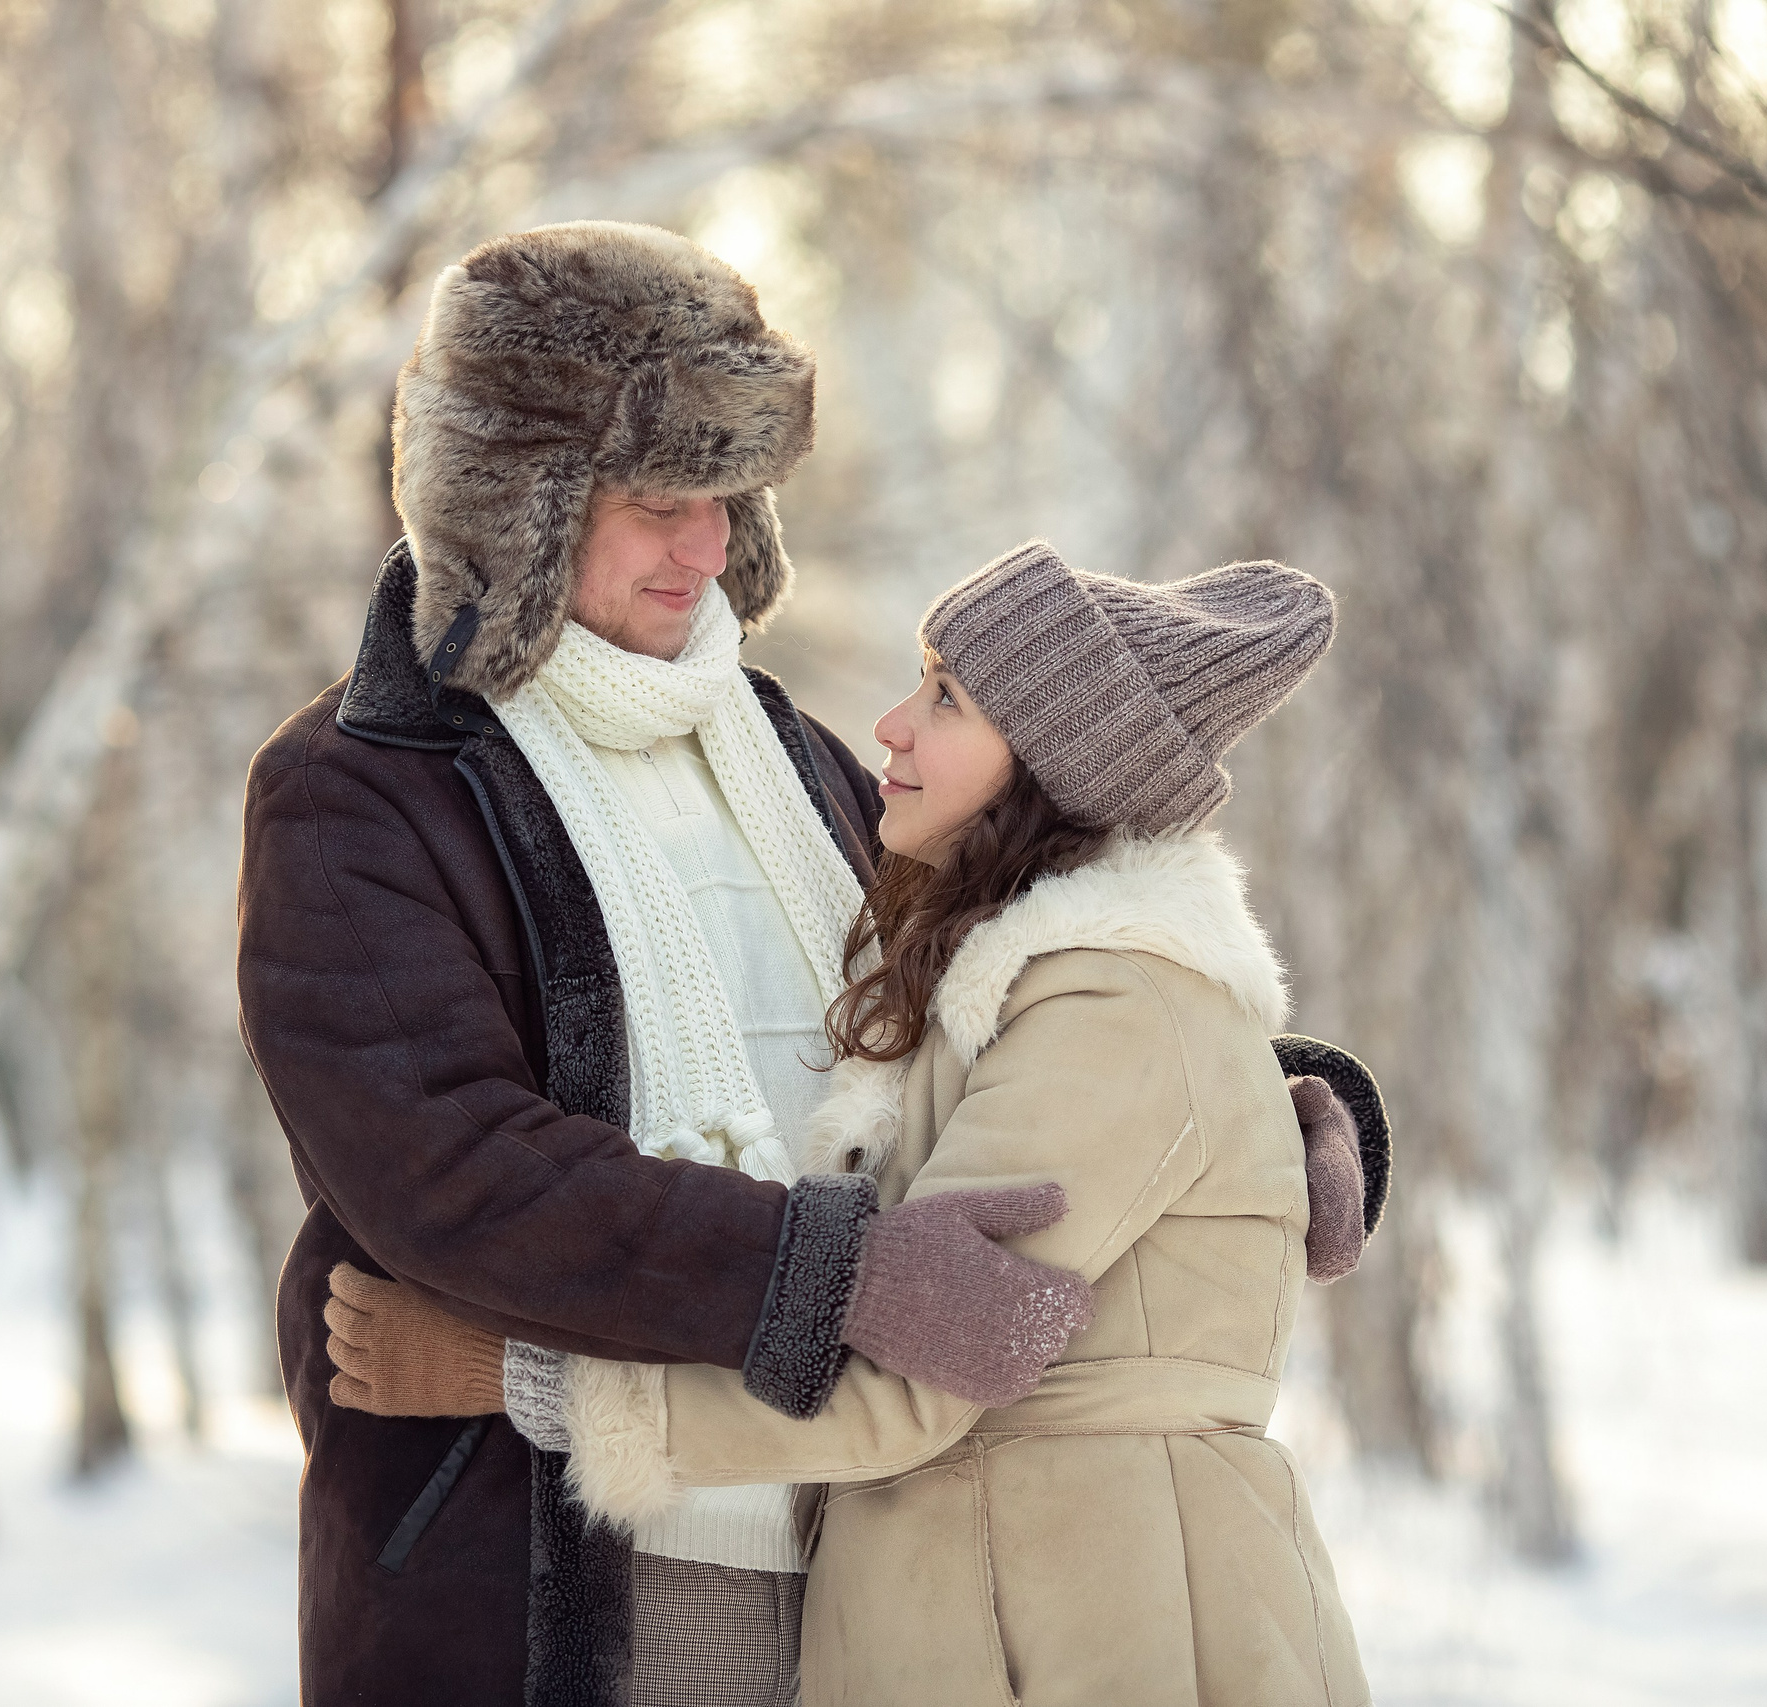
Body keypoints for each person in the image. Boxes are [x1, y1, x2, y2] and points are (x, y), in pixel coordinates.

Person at [236, 224, 1097, 1707]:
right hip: (552, 1571)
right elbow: (456, 1173)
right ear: (513, 503)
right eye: (654, 501)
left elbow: (991, 1007)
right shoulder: (360, 791)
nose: (702, 549)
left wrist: (1246, 1100)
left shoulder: (791, 754)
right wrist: (841, 1274)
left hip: (868, 1544)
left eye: (725, 499)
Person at [325, 541, 1390, 1706]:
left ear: (1053, 764)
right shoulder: (1043, 991)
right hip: (1018, 1592)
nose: (890, 725)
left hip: (1094, 1615)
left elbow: (911, 1380)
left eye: (946, 697)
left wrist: (518, 1380)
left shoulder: (1110, 1002)